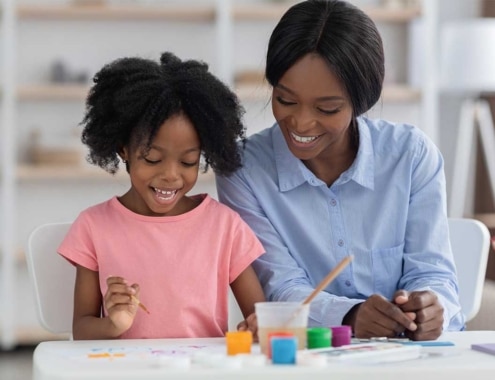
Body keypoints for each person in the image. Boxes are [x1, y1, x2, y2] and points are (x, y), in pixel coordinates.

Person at [216, 0, 465, 341]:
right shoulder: (242, 170)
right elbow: (278, 289)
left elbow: (434, 273)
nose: (301, 122)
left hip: (407, 363)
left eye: (328, 108)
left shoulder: (411, 156)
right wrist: (349, 316)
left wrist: (433, 309)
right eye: (286, 100)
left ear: (360, 102)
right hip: (304, 364)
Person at [58, 52, 265, 340]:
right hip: (127, 377)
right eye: (153, 159)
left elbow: (261, 317)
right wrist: (113, 324)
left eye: (189, 162)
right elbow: (82, 329)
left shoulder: (225, 227)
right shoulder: (93, 227)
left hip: (201, 377)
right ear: (123, 150)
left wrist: (258, 328)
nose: (171, 175)